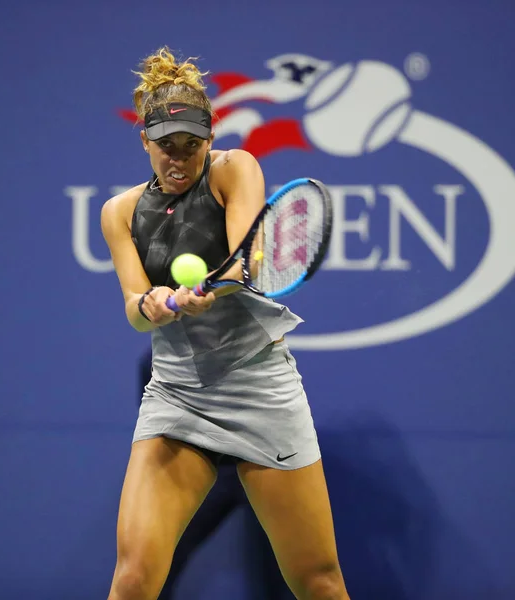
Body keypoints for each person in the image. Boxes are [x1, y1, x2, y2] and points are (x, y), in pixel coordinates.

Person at [101, 46, 350, 600]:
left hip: (261, 390)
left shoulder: (236, 169)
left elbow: (244, 258)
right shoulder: (119, 212)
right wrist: (160, 304)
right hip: (176, 394)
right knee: (134, 578)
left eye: (192, 145)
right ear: (144, 141)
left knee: (318, 581)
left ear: (210, 140)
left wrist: (210, 288)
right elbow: (133, 306)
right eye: (167, 146)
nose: (180, 159)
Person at [137, 350, 293, 600]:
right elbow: (156, 424)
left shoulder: (259, 350)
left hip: (263, 466)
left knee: (287, 568)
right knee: (161, 556)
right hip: (205, 471)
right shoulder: (156, 360)